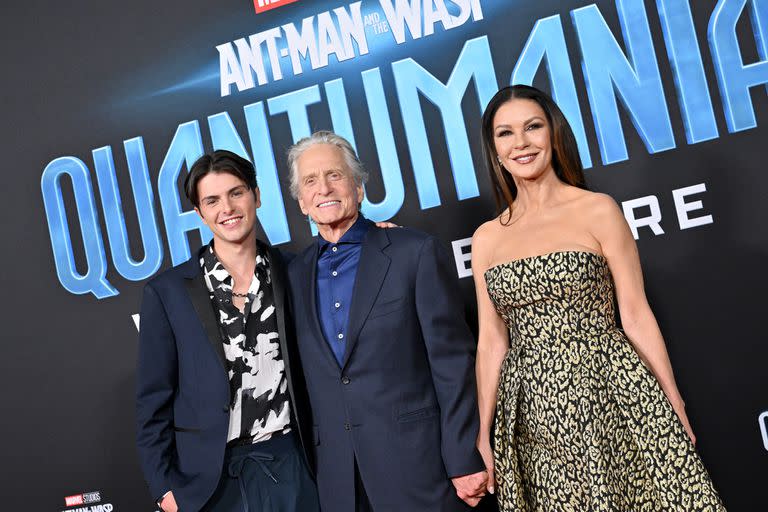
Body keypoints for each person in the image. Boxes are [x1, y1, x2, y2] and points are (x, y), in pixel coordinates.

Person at [472, 85, 726, 511]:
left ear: (553, 134)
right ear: (494, 149)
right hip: (531, 413)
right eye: (505, 133)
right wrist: (485, 433)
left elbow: (635, 313)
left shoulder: (598, 210)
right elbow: (491, 342)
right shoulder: (486, 238)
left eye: (533, 127)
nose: (521, 143)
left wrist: (673, 399)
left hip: (610, 391)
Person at [285, 131, 488, 511]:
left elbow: (452, 362)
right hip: (339, 483)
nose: (324, 188)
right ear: (300, 202)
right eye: (310, 181)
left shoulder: (414, 252)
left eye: (335, 175)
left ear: (358, 187)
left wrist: (463, 455)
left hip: (420, 468)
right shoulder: (291, 278)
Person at [135, 150, 319, 512]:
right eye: (212, 200)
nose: (227, 208)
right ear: (200, 213)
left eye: (236, 193)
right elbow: (151, 401)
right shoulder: (168, 293)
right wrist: (163, 489)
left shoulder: (296, 273)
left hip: (295, 465)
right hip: (209, 483)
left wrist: (373, 234)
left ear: (256, 195)